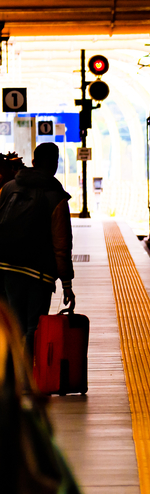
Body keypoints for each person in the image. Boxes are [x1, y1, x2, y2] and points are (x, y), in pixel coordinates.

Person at [0, 143, 74, 350]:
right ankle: (29, 368)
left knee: (14, 326)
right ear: (56, 165)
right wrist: (66, 283)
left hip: (7, 268)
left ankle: (13, 367)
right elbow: (62, 243)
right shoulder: (57, 197)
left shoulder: (8, 188)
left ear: (33, 162)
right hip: (39, 274)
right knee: (34, 327)